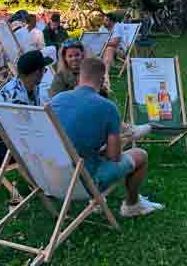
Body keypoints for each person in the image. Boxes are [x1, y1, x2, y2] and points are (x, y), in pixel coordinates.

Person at [51, 57, 163, 217]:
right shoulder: (107, 107)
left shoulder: (57, 100)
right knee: (140, 155)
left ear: (79, 77)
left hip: (53, 177)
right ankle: (132, 205)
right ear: (102, 79)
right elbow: (114, 157)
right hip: (85, 183)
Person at [0, 50, 53, 166]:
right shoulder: (15, 98)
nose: (44, 73)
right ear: (35, 73)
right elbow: (24, 133)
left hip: (4, 140)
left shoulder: (30, 86)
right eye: (43, 70)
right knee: (46, 147)